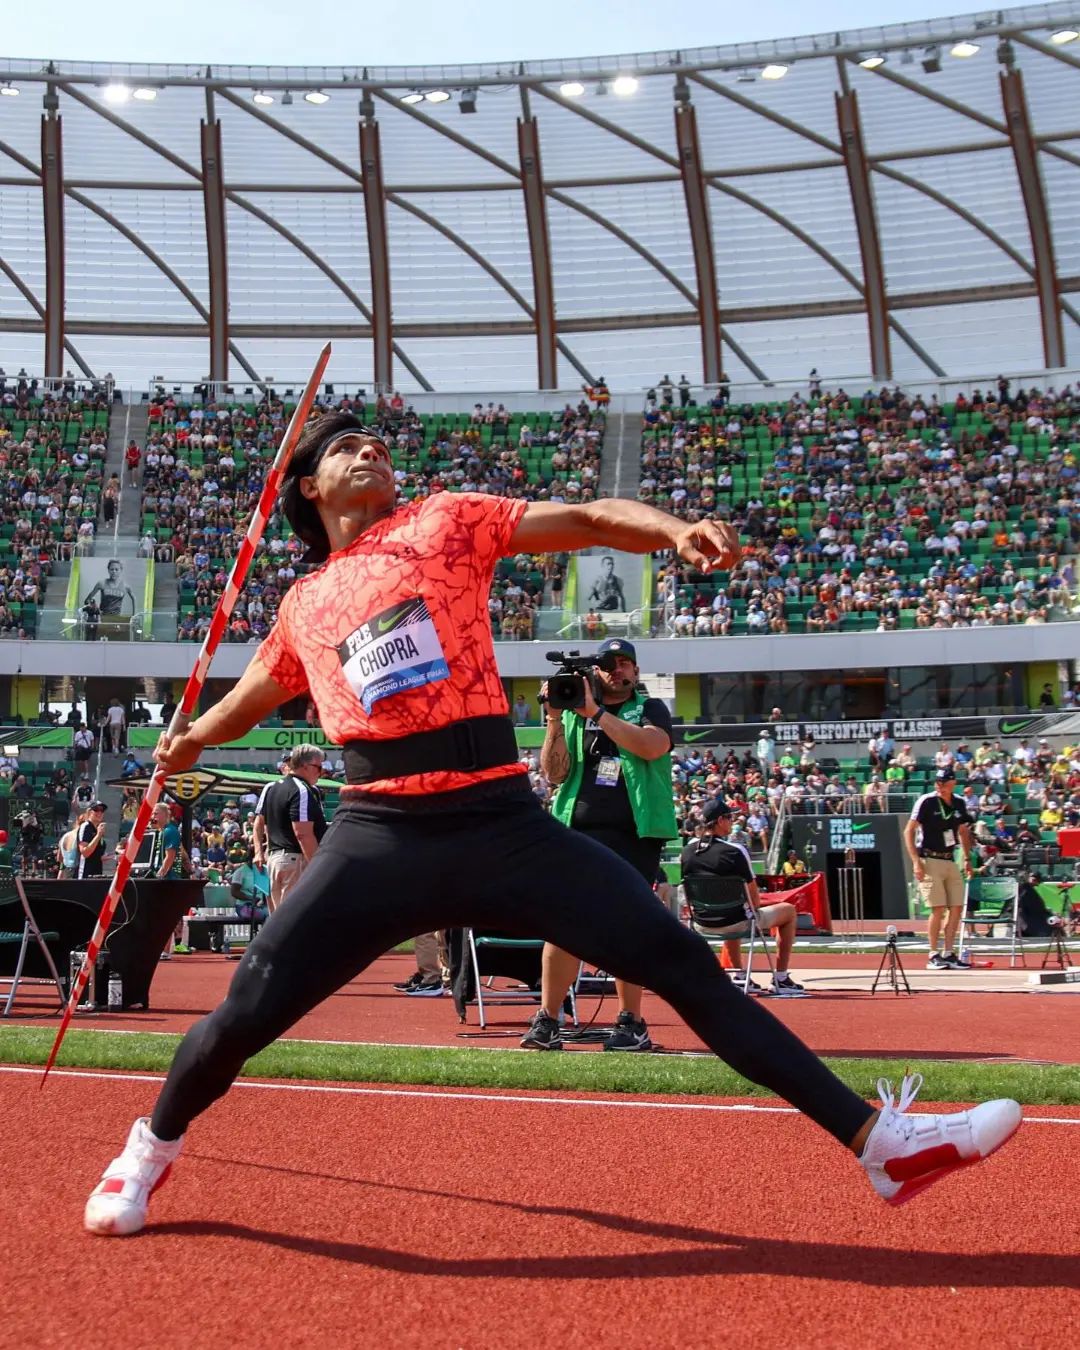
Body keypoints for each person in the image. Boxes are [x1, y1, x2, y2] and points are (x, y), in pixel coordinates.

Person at [84, 411, 1020, 1238]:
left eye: (376, 442)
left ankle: (878, 1144)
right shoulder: (301, 603)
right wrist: (189, 740)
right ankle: (149, 1146)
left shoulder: (443, 521)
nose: (370, 449)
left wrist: (673, 530)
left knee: (683, 963)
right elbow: (252, 694)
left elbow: (587, 518)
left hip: (501, 819)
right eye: (343, 448)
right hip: (379, 835)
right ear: (306, 488)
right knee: (247, 1008)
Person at [523, 637, 675, 1052]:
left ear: (637, 672)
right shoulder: (573, 714)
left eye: (626, 663)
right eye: (610, 664)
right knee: (564, 923)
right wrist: (555, 718)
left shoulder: (650, 708)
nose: (618, 670)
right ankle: (548, 1020)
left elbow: (651, 746)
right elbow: (554, 774)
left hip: (634, 834)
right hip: (576, 831)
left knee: (629, 923)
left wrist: (596, 712)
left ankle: (631, 1021)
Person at [681, 799, 807, 997]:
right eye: (730, 817)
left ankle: (740, 976)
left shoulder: (687, 851)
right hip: (737, 922)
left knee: (731, 908)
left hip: (701, 922)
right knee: (788, 911)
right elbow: (753, 898)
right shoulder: (735, 851)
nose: (733, 821)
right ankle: (781, 978)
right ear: (720, 820)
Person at [905, 768, 975, 971]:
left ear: (953, 783)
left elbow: (962, 831)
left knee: (956, 907)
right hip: (929, 858)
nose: (940, 786)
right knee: (937, 908)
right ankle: (933, 953)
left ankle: (949, 952)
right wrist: (916, 861)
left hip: (950, 859)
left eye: (944, 782)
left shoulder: (959, 802)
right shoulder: (927, 801)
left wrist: (967, 858)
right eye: (937, 782)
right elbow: (909, 830)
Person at [258, 743, 327, 911]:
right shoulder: (301, 790)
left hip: (277, 860)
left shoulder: (273, 788)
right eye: (318, 767)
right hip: (294, 861)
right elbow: (303, 834)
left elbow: (264, 825)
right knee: (294, 920)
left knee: (280, 922)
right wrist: (317, 866)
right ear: (305, 766)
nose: (321, 772)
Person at [75, 802, 108, 879]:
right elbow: (85, 853)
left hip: (97, 873)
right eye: (96, 810)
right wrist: (98, 835)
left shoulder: (97, 829)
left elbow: (96, 854)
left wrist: (113, 856)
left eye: (102, 810)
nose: (99, 812)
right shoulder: (86, 827)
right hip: (85, 873)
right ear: (90, 812)